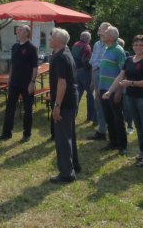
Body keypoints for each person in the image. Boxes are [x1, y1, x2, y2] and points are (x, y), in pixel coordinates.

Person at [113, 35, 143, 167]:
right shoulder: (129, 59)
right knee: (138, 126)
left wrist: (131, 83)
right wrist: (110, 90)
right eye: (136, 45)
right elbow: (120, 76)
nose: (138, 47)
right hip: (130, 97)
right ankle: (142, 153)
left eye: (141, 45)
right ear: (132, 46)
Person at [0, 25, 38, 142]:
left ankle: (27, 134)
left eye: (20, 30)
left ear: (27, 33)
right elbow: (13, 64)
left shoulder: (31, 48)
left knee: (27, 109)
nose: (18, 31)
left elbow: (35, 67)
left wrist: (32, 82)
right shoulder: (15, 46)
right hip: (14, 82)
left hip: (27, 83)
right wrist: (9, 78)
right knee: (10, 108)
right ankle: (6, 133)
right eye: (18, 30)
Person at [48, 28, 80, 183]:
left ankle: (67, 173)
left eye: (52, 37)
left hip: (65, 102)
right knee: (69, 135)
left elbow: (62, 82)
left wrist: (57, 105)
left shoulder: (61, 57)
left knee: (62, 138)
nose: (49, 39)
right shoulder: (65, 53)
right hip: (71, 100)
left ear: (59, 41)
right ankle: (74, 165)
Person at [99, 27, 128, 155]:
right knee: (109, 117)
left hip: (114, 90)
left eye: (105, 33)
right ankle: (113, 142)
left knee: (117, 118)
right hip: (103, 89)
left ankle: (122, 145)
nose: (103, 35)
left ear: (112, 37)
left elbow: (123, 73)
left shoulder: (118, 50)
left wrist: (119, 91)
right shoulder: (106, 49)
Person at [88, 22, 111, 141]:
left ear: (107, 30)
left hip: (105, 76)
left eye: (101, 28)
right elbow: (93, 62)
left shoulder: (110, 45)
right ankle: (102, 130)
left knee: (106, 103)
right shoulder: (97, 44)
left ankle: (107, 130)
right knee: (98, 103)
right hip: (96, 74)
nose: (98, 29)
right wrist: (93, 81)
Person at [72, 31, 96, 124]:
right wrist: (93, 65)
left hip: (76, 71)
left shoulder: (75, 44)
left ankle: (73, 115)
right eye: (89, 38)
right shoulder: (86, 46)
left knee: (77, 94)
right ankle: (90, 117)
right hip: (85, 72)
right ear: (87, 38)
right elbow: (86, 61)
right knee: (90, 94)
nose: (90, 40)